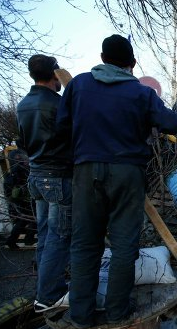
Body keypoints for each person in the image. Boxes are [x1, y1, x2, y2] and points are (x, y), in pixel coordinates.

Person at [57, 34, 177, 328]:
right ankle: (117, 312)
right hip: (127, 173)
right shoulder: (141, 93)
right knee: (125, 245)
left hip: (86, 170)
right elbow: (172, 124)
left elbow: (61, 127)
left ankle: (81, 315)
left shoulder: (78, 85)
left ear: (101, 58)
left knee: (85, 245)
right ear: (133, 64)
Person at [16, 54, 73, 312]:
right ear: (54, 73)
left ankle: (45, 288)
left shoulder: (23, 104)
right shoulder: (58, 104)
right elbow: (73, 139)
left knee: (46, 235)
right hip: (57, 177)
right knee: (59, 237)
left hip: (36, 176)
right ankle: (49, 296)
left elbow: (22, 144)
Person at [4, 149, 36, 250]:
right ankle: (20, 240)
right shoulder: (20, 171)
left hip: (20, 201)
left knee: (27, 220)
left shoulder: (14, 172)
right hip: (23, 201)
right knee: (25, 220)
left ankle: (27, 239)